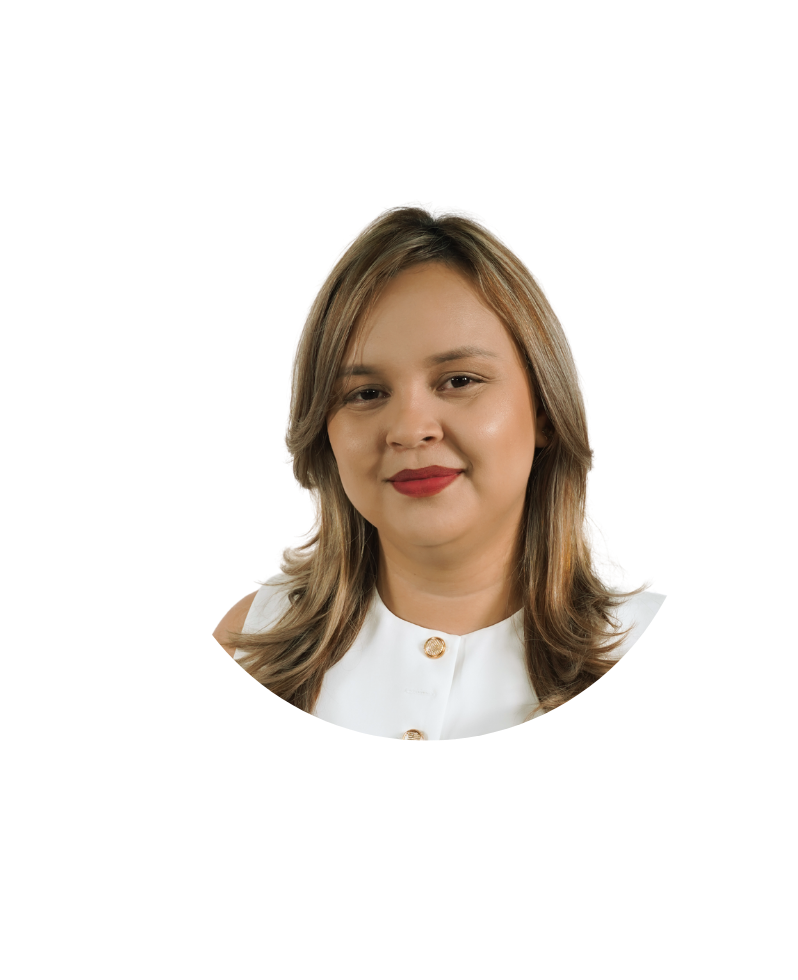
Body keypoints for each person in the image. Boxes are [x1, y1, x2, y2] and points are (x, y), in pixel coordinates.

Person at [213, 208, 664, 739]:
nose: (409, 430)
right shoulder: (252, 642)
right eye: (366, 393)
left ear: (544, 409)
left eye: (459, 380)